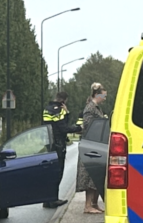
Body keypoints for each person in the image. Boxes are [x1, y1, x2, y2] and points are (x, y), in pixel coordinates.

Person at [42, 90, 81, 208]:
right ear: (64, 101)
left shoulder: (47, 109)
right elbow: (63, 127)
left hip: (48, 143)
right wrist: (77, 127)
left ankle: (47, 199)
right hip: (58, 144)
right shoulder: (59, 110)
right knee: (58, 171)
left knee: (49, 173)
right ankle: (53, 199)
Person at [76, 83, 109, 213]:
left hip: (97, 145)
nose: (105, 98)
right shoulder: (90, 108)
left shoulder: (97, 108)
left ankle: (94, 204)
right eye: (103, 95)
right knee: (90, 176)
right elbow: (89, 125)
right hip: (90, 145)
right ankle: (88, 205)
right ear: (96, 94)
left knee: (97, 176)